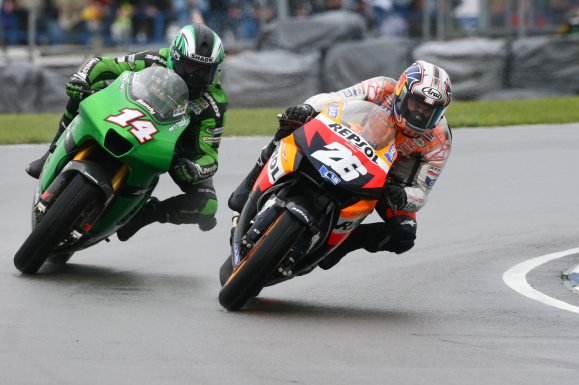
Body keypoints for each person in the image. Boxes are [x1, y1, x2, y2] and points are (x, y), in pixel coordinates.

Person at [228, 60, 452, 269]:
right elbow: (335, 98)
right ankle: (248, 189)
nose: (419, 114)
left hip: (387, 182)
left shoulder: (440, 139)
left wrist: (403, 197)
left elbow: (422, 191)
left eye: (428, 111)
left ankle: (339, 245)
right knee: (291, 124)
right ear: (401, 93)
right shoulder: (381, 88)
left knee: (404, 235)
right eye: (416, 104)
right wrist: (307, 109)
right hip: (347, 142)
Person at [26, 23, 227, 241]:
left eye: (204, 70)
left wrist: (196, 168)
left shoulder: (213, 103)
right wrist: (81, 77)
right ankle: (51, 151)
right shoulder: (154, 59)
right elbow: (101, 65)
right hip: (129, 115)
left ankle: (144, 215)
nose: (196, 75)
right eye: (190, 66)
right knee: (86, 90)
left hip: (173, 149)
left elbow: (210, 156)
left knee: (207, 204)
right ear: (175, 57)